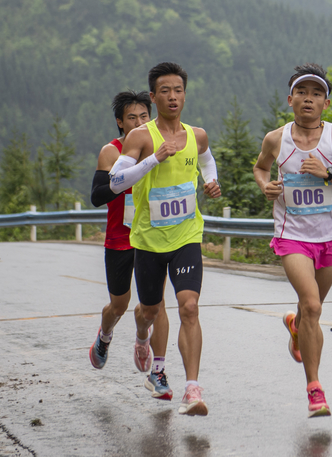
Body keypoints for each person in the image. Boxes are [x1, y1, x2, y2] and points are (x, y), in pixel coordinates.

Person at [253, 63, 332, 417]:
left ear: (326, 104)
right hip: (292, 237)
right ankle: (315, 389)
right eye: (302, 92)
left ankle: (296, 327)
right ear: (290, 99)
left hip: (329, 237)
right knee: (314, 306)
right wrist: (266, 186)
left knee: (308, 313)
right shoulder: (277, 139)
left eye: (317, 93)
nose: (308, 99)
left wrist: (329, 173)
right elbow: (260, 167)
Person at [108, 62, 221, 416]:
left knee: (189, 306)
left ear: (185, 95)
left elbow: (207, 161)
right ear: (154, 96)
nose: (173, 97)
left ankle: (192, 388)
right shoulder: (140, 137)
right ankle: (141, 336)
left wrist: (210, 182)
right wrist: (152, 160)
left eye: (179, 90)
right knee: (150, 310)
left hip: (187, 233)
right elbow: (115, 181)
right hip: (148, 240)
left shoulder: (197, 134)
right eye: (166, 91)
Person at [88, 90, 173, 401]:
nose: (139, 122)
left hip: (151, 236)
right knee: (119, 305)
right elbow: (97, 196)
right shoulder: (111, 153)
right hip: (120, 239)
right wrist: (131, 173)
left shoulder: (160, 146)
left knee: (155, 305)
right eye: (132, 118)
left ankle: (145, 345)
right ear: (120, 123)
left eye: (144, 116)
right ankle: (105, 335)